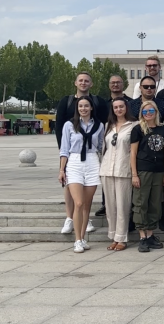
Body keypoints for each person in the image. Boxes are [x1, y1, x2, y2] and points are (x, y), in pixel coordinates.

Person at [55, 72, 104, 235]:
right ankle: (70, 218)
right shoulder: (66, 101)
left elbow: (101, 135)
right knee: (70, 186)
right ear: (75, 83)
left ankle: (83, 218)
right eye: (80, 80)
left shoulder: (97, 102)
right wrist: (64, 156)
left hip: (90, 156)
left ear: (91, 84)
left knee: (85, 194)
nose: (83, 83)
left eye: (86, 81)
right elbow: (59, 127)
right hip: (72, 152)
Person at [130, 101, 164, 252]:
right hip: (143, 170)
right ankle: (142, 236)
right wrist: (134, 174)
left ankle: (151, 234)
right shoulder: (138, 129)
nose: (148, 114)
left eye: (151, 111)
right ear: (141, 113)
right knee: (141, 202)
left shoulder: (163, 129)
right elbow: (133, 153)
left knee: (155, 202)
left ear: (156, 112)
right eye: (145, 111)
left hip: (158, 171)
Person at [99, 98, 136, 251]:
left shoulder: (134, 125)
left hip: (123, 169)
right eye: (116, 107)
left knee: (122, 205)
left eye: (121, 106)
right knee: (110, 206)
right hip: (107, 169)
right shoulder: (108, 126)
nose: (119, 109)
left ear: (126, 108)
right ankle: (113, 236)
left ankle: (121, 237)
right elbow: (103, 148)